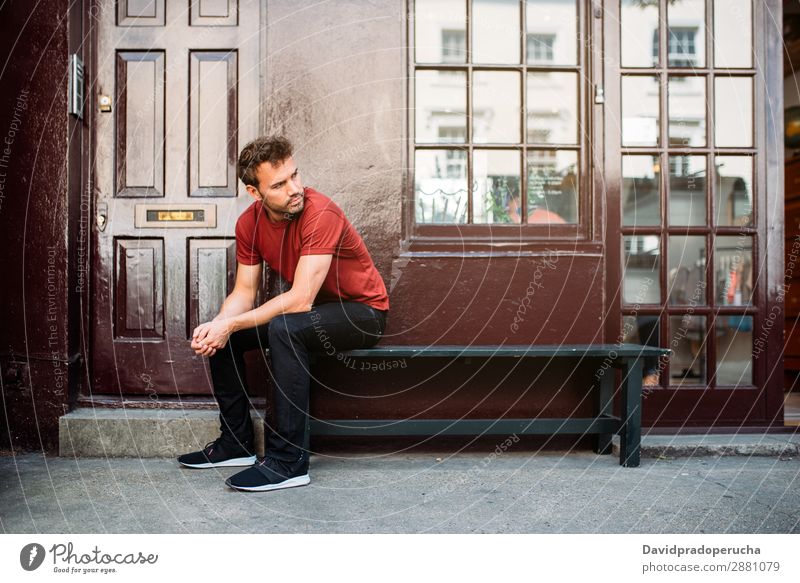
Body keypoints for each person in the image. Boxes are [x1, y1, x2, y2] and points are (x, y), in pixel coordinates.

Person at [177, 136, 390, 492]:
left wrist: (229, 323)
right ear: (254, 192)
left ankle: (288, 462)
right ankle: (235, 444)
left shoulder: (321, 212)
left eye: (295, 176)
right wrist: (219, 326)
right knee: (228, 338)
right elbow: (244, 293)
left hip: (363, 313)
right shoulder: (249, 225)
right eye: (279, 184)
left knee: (285, 327)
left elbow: (300, 299)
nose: (295, 189)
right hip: (313, 314)